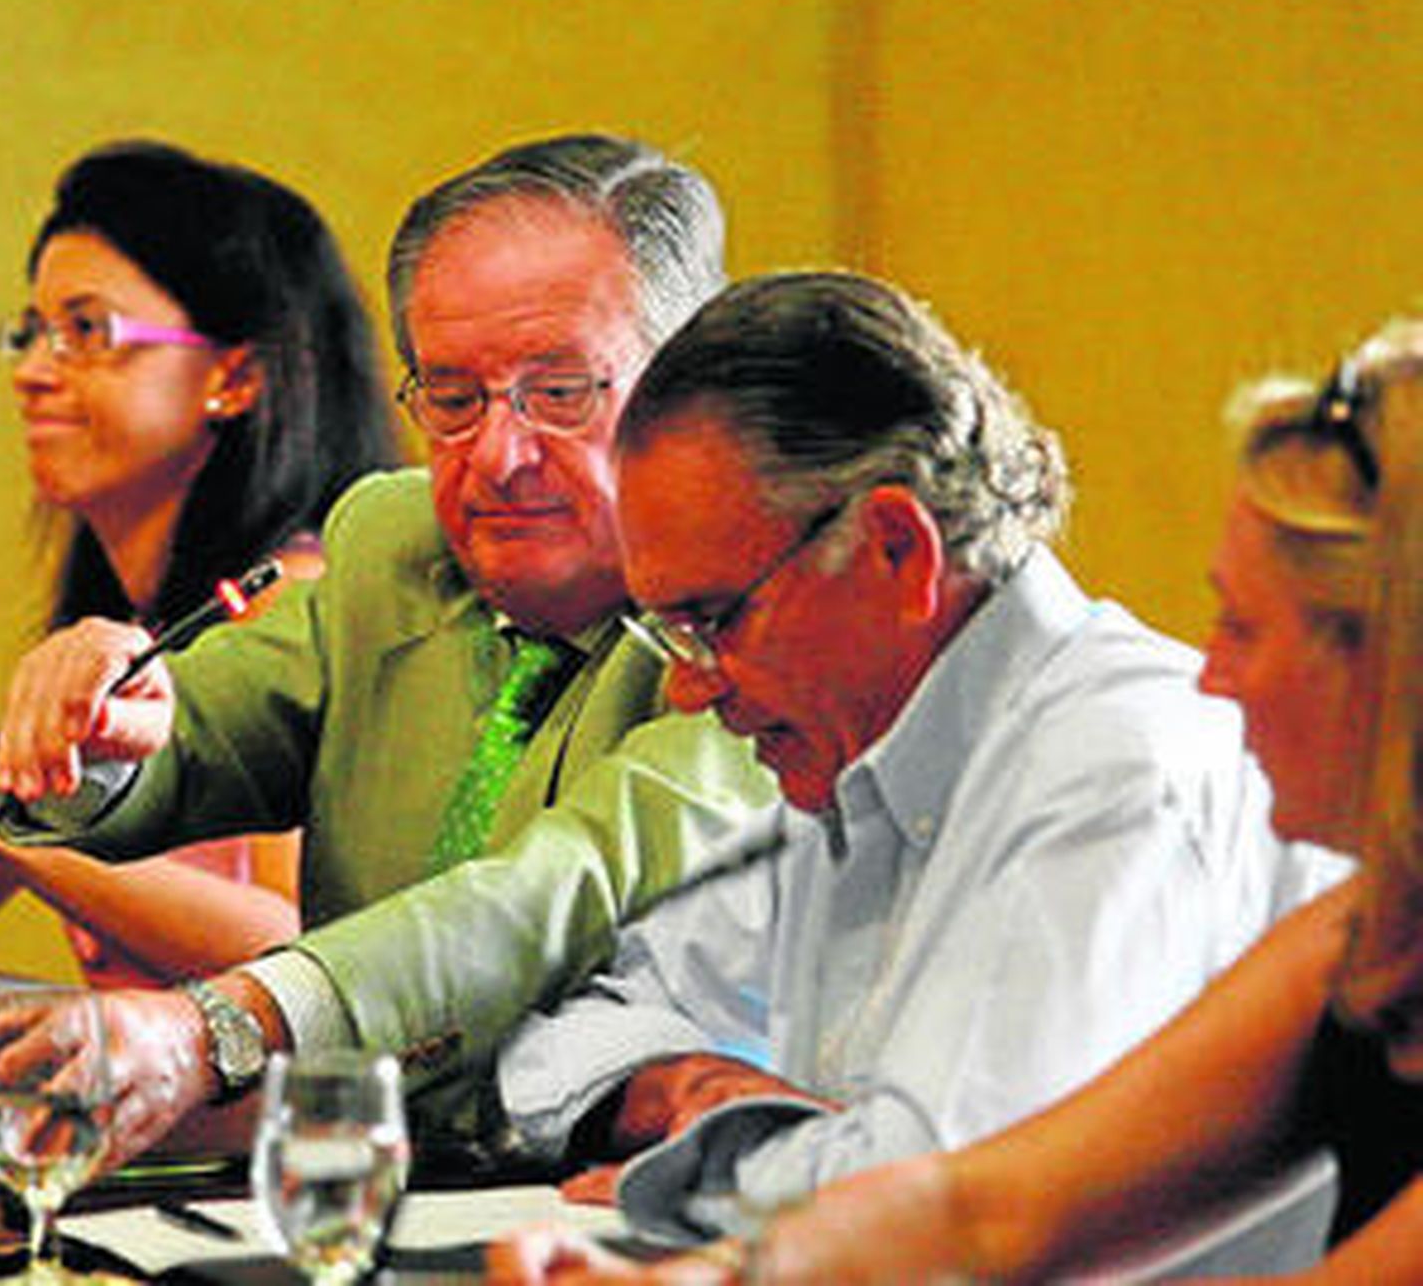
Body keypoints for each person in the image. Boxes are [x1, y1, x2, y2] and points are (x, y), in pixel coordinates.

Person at [491, 316, 1422, 1284]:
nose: (1211, 676)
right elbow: (982, 1210)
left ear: (1399, 664)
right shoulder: (1361, 932)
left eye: (1242, 626)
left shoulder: (1133, 756)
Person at [0, 135, 776, 1165]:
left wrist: (214, 1030)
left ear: (687, 392)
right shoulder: (396, 543)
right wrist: (94, 729)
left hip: (655, 1198)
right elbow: (191, 732)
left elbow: (539, 898)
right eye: (453, 399)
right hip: (370, 1187)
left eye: (560, 392)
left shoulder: (759, 616)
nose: (499, 456)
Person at [0, 140, 397, 986]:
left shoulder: (301, 609)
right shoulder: (124, 634)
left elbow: (310, 955)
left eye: (86, 331)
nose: (31, 372)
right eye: (32, 333)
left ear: (235, 376)